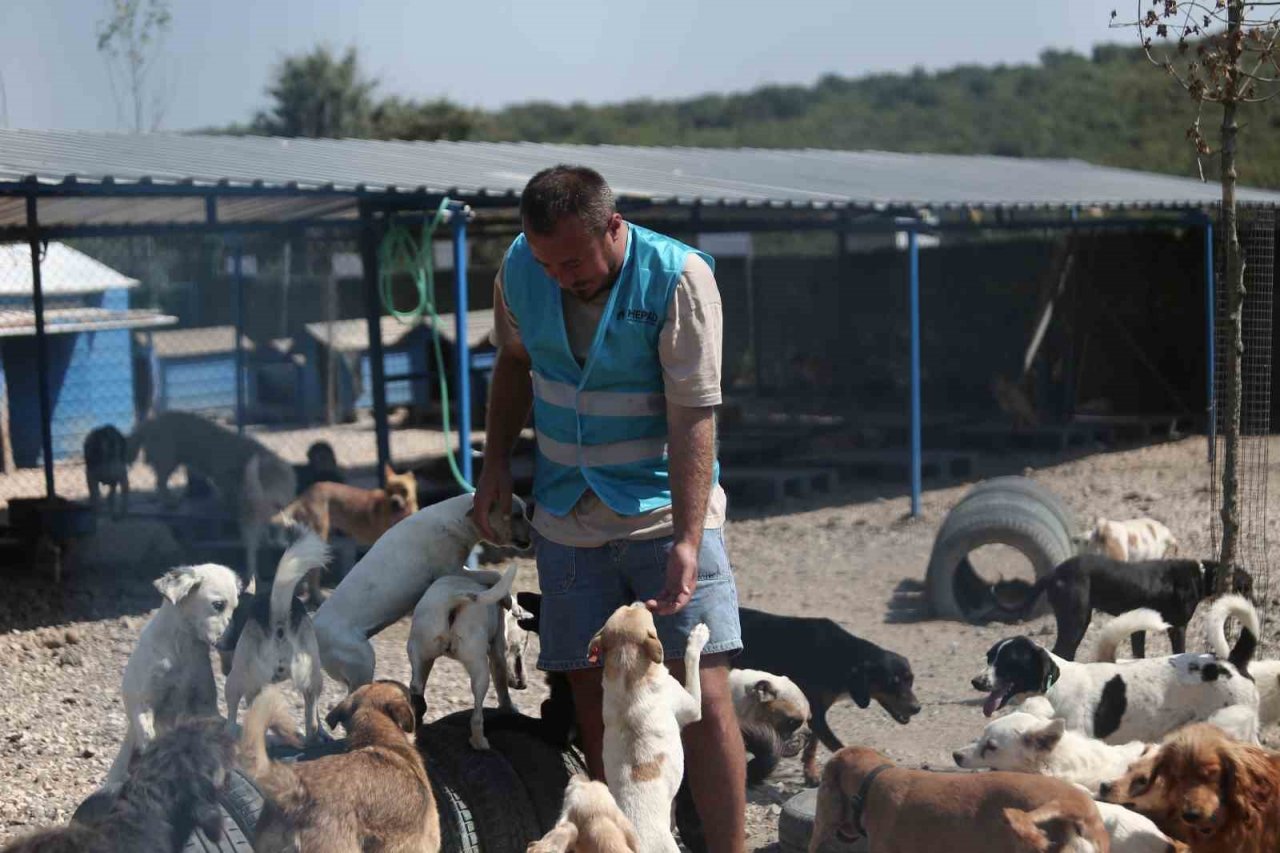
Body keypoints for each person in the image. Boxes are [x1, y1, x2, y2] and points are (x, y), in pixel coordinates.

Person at [473, 165, 746, 853]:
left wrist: (688, 536)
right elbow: (514, 362)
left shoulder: (679, 279)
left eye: (573, 261)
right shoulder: (521, 269)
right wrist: (496, 462)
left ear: (613, 227)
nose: (562, 276)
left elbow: (694, 415)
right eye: (546, 262)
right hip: (569, 517)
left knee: (704, 699)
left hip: (663, 512)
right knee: (599, 704)